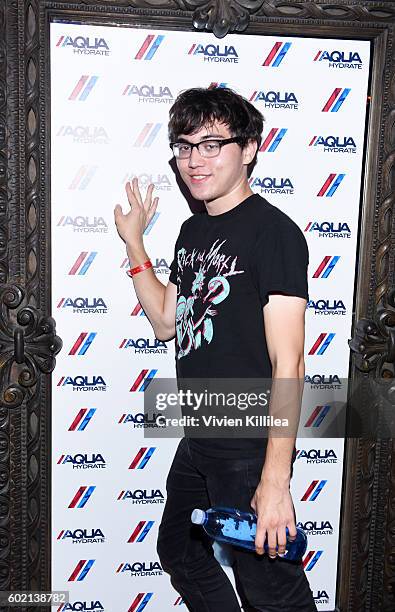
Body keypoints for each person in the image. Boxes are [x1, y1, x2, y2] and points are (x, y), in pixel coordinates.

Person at [114, 87, 317, 612]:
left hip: (247, 449)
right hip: (201, 436)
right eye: (184, 147)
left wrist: (275, 481)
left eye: (211, 145)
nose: (194, 161)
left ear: (249, 148)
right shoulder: (191, 229)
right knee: (179, 551)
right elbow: (166, 321)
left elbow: (289, 365)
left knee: (272, 593)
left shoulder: (275, 234)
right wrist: (135, 243)